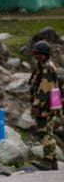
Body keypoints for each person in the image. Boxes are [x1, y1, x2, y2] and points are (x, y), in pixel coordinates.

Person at [28, 40, 60, 171]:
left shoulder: (46, 67)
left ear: (45, 54)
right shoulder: (43, 65)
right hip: (49, 104)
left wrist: (37, 105)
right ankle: (52, 160)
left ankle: (48, 160)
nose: (37, 55)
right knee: (48, 131)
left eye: (39, 53)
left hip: (45, 106)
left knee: (44, 132)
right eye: (36, 53)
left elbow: (44, 88)